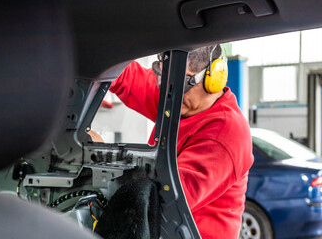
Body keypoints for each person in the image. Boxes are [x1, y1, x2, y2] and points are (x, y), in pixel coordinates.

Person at [109, 45, 254, 239]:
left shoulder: (225, 133)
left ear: (213, 80)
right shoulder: (178, 99)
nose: (169, 93)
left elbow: (165, 199)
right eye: (162, 78)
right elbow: (126, 77)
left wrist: (107, 168)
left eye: (179, 84)